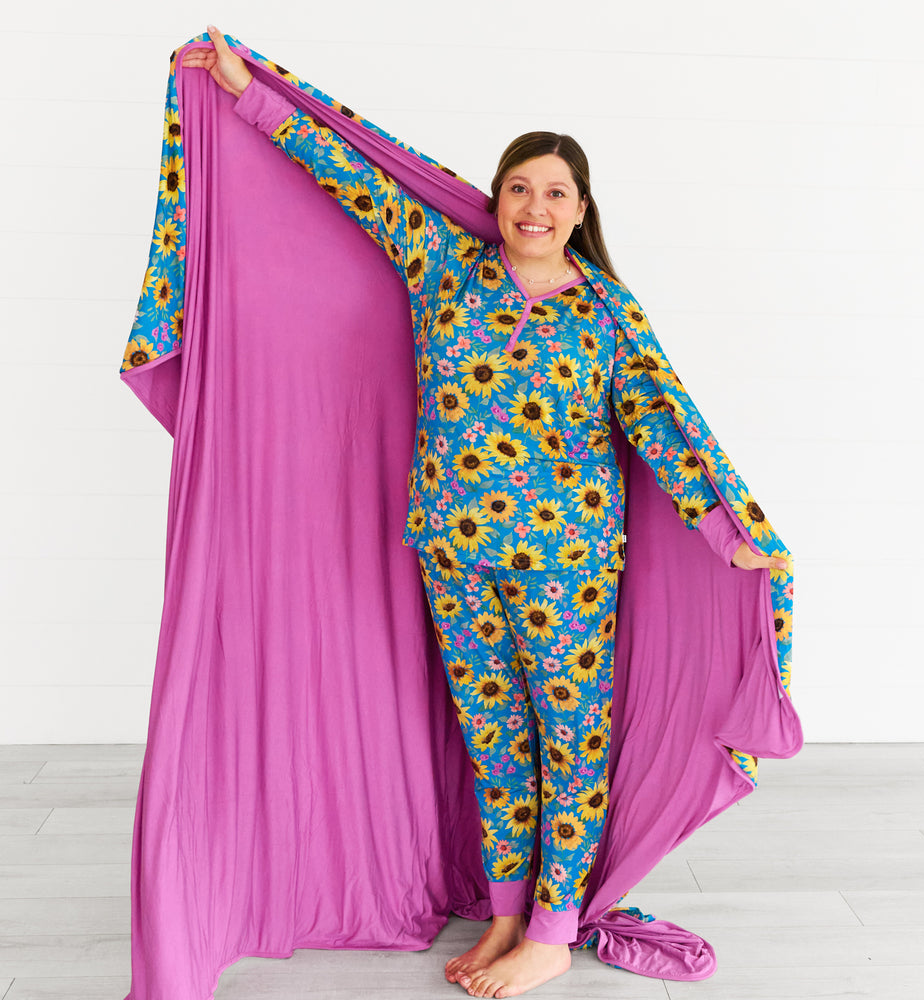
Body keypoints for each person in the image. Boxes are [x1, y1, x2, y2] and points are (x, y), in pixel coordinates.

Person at [181, 24, 787, 1000]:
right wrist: (246, 91)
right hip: (453, 555)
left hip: (565, 567)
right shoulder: (444, 267)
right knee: (492, 736)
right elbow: (350, 173)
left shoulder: (606, 313)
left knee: (569, 739)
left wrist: (735, 533)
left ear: (581, 209)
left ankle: (552, 928)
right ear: (496, 198)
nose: (534, 205)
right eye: (518, 186)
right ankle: (507, 908)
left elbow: (666, 426)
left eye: (554, 191)